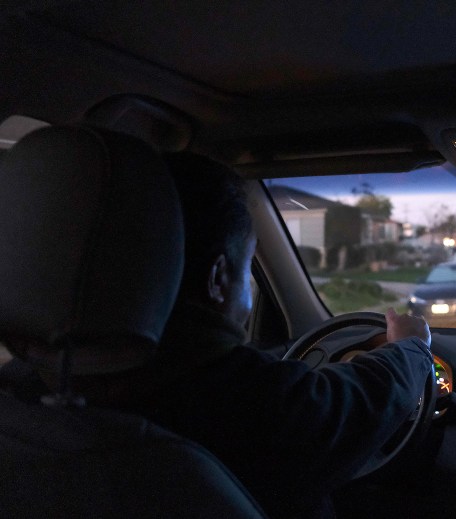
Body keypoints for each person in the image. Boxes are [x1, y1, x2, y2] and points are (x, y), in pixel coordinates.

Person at [131, 152, 433, 518]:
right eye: (248, 270)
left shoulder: (53, 391)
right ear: (217, 280)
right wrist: (412, 346)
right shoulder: (245, 401)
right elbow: (364, 401)